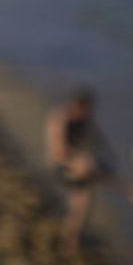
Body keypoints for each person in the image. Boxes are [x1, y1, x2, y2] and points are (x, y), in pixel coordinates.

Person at [46, 88, 114, 255]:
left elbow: (99, 139)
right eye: (88, 109)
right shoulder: (60, 120)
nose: (90, 114)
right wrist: (81, 161)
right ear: (78, 106)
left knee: (84, 203)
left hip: (78, 163)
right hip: (61, 166)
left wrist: (104, 157)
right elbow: (59, 153)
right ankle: (69, 242)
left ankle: (71, 235)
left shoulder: (85, 118)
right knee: (83, 202)